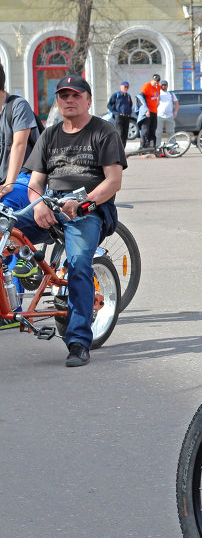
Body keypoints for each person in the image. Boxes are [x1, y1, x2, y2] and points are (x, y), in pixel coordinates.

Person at [22, 75, 125, 367]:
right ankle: (18, 285)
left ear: (88, 100)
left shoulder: (104, 132)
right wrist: (38, 203)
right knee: (9, 233)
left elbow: (114, 181)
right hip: (51, 203)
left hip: (89, 208)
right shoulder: (50, 134)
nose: (69, 100)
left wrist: (84, 204)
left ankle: (79, 341)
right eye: (63, 96)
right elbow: (35, 183)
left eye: (75, 95)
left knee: (79, 263)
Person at [0, 63, 41, 202]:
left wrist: (9, 184)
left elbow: (19, 145)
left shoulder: (18, 106)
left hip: (24, 177)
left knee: (5, 206)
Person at [153, 79, 179, 156]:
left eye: (165, 85)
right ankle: (157, 149)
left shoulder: (171, 94)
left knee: (171, 133)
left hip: (169, 116)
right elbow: (155, 104)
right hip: (160, 116)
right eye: (162, 85)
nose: (163, 86)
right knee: (158, 133)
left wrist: (175, 112)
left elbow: (176, 103)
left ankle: (172, 149)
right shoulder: (158, 93)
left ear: (167, 86)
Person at [138, 73, 161, 152]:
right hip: (147, 112)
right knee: (145, 130)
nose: (156, 84)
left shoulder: (158, 88)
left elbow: (159, 94)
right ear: (152, 80)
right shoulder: (147, 86)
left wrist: (158, 101)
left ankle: (151, 146)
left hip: (154, 111)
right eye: (155, 82)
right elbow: (141, 99)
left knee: (153, 129)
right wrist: (146, 110)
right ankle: (143, 146)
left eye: (157, 82)